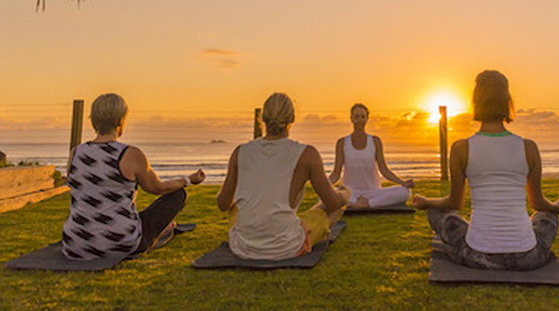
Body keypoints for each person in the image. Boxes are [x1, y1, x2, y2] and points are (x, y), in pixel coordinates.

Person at [412, 70, 559, 270]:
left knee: (435, 210)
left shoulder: (461, 148)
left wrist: (427, 202)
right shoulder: (529, 147)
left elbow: (454, 203)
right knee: (547, 216)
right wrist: (557, 206)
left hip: (477, 255)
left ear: (475, 102)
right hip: (527, 257)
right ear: (507, 102)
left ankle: (480, 234)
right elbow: (538, 203)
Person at [62, 93, 205, 259]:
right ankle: (166, 229)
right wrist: (188, 180)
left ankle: (165, 228)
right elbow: (158, 188)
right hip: (120, 243)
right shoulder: (130, 154)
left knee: (133, 215)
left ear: (93, 120)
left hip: (76, 243)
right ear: (121, 121)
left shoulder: (76, 152)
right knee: (178, 195)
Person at [217, 92, 350, 260]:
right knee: (333, 208)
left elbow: (223, 204)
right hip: (285, 246)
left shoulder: (240, 152)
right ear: (292, 118)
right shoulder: (307, 154)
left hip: (242, 246)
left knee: (235, 207)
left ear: (263, 118)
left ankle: (266, 227)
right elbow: (332, 203)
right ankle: (298, 229)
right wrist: (345, 194)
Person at [328, 103, 414, 210]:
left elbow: (384, 170)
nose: (360, 120)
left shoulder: (375, 141)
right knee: (327, 194)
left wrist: (402, 182)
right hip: (350, 193)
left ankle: (366, 204)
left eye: (362, 117)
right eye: (357, 117)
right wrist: (324, 185)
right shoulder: (342, 143)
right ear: (351, 119)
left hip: (373, 192)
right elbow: (336, 173)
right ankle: (364, 203)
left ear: (367, 119)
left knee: (405, 192)